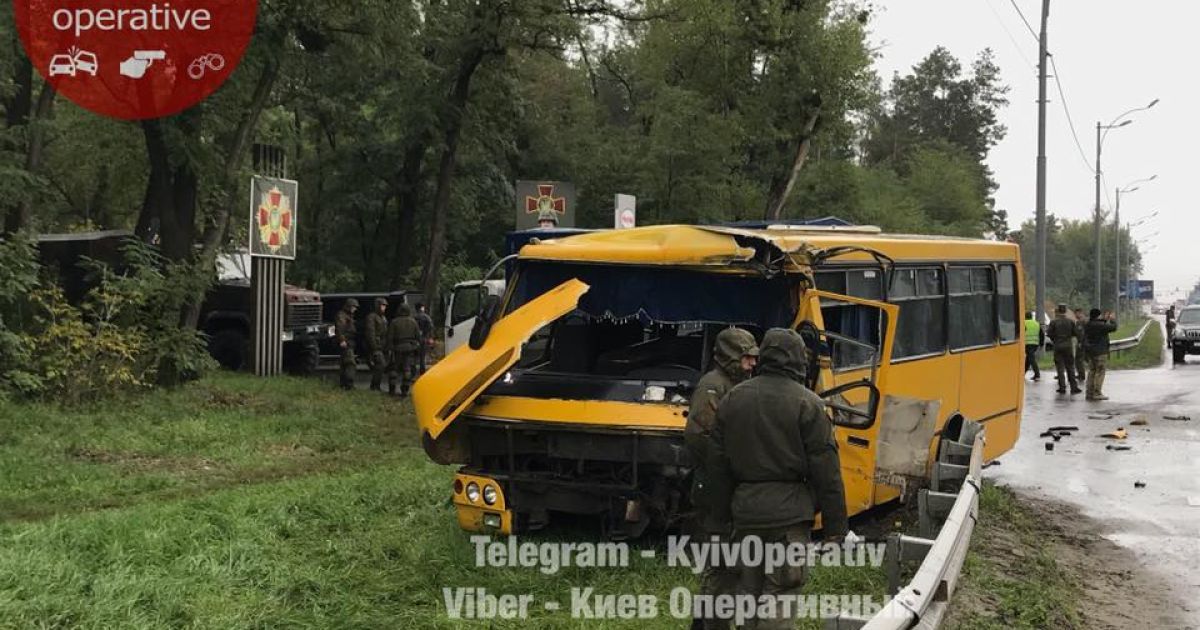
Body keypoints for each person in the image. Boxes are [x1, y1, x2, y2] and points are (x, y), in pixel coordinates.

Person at [710, 328, 846, 630]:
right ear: (800, 360)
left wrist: (719, 519)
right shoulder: (808, 404)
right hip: (789, 518)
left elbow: (716, 467)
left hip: (744, 514)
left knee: (748, 593)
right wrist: (836, 530)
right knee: (780, 597)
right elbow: (827, 472)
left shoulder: (732, 399)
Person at [684, 327, 758, 630]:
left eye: (754, 358)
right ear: (730, 357)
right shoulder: (713, 386)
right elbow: (700, 435)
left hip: (726, 487)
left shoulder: (735, 385)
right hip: (714, 488)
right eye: (747, 358)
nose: (752, 364)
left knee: (727, 564)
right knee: (720, 564)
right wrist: (730, 467)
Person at [1045, 305, 1082, 395]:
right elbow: (1076, 333)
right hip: (1068, 346)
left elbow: (1049, 333)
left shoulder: (1053, 322)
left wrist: (1055, 340)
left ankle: (1062, 387)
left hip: (1057, 346)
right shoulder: (1070, 322)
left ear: (1058, 312)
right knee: (1070, 367)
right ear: (1065, 311)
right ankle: (1074, 387)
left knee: (1060, 367)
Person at [387, 303, 422, 395]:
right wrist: (417, 347)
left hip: (397, 348)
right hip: (409, 348)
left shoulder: (394, 322)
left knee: (394, 369)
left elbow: (390, 337)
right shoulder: (413, 322)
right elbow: (418, 336)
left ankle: (392, 389)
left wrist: (390, 348)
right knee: (407, 369)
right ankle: (405, 389)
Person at [1084, 308, 1118, 401]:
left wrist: (1105, 319)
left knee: (1092, 371)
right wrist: (1112, 320)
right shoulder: (1101, 325)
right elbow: (1113, 327)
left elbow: (1100, 324)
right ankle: (1097, 392)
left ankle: (1089, 392)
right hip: (1100, 352)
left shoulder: (1088, 325)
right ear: (1098, 316)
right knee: (1100, 372)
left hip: (1091, 352)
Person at [364, 298, 389, 392]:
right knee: (380, 364)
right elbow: (370, 333)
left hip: (382, 345)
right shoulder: (371, 317)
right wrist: (373, 346)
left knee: (381, 366)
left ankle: (376, 386)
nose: (384, 308)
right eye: (382, 305)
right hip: (375, 345)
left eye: (385, 306)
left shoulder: (383, 318)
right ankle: (374, 386)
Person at [334, 298, 359, 390]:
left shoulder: (348, 316)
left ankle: (343, 384)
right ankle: (349, 385)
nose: (355, 309)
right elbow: (340, 328)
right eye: (353, 307)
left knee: (345, 363)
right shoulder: (342, 315)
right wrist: (342, 340)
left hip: (349, 341)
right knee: (350, 363)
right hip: (346, 341)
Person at [414, 303, 434, 374]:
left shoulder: (413, 317)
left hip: (415, 340)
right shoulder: (426, 317)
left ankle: (412, 373)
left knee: (413, 357)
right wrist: (430, 337)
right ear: (422, 308)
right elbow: (431, 327)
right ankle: (422, 372)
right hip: (424, 339)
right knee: (422, 357)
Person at [1023, 311, 1043, 381]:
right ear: (1031, 317)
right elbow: (1041, 334)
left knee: (1031, 359)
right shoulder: (1036, 324)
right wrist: (1041, 344)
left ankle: (1037, 374)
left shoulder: (1024, 323)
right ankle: (1023, 374)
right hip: (1035, 344)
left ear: (1025, 316)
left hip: (1027, 344)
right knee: (1028, 359)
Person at [1072, 308, 1088, 382]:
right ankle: (1080, 374)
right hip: (1084, 342)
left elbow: (1081, 333)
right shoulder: (1084, 321)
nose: (1075, 315)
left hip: (1081, 343)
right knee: (1079, 359)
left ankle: (1081, 375)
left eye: (1076, 313)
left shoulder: (1081, 322)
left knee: (1079, 360)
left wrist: (1080, 342)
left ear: (1079, 313)